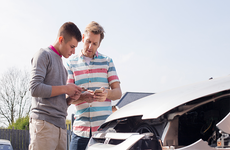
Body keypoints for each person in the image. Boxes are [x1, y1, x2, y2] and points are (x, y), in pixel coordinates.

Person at [66, 21, 122, 150]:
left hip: (104, 131)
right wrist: (83, 97)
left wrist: (107, 94)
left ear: (99, 45)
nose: (90, 46)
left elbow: (118, 92)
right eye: (88, 41)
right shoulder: (71, 63)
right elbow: (68, 97)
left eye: (95, 43)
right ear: (83, 38)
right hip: (80, 131)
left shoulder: (107, 62)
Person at [29, 22, 83, 150]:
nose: (73, 51)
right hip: (44, 125)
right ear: (61, 39)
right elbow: (35, 88)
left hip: (61, 127)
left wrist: (71, 98)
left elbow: (57, 101)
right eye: (72, 46)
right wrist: (66, 88)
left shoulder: (64, 69)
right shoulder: (43, 54)